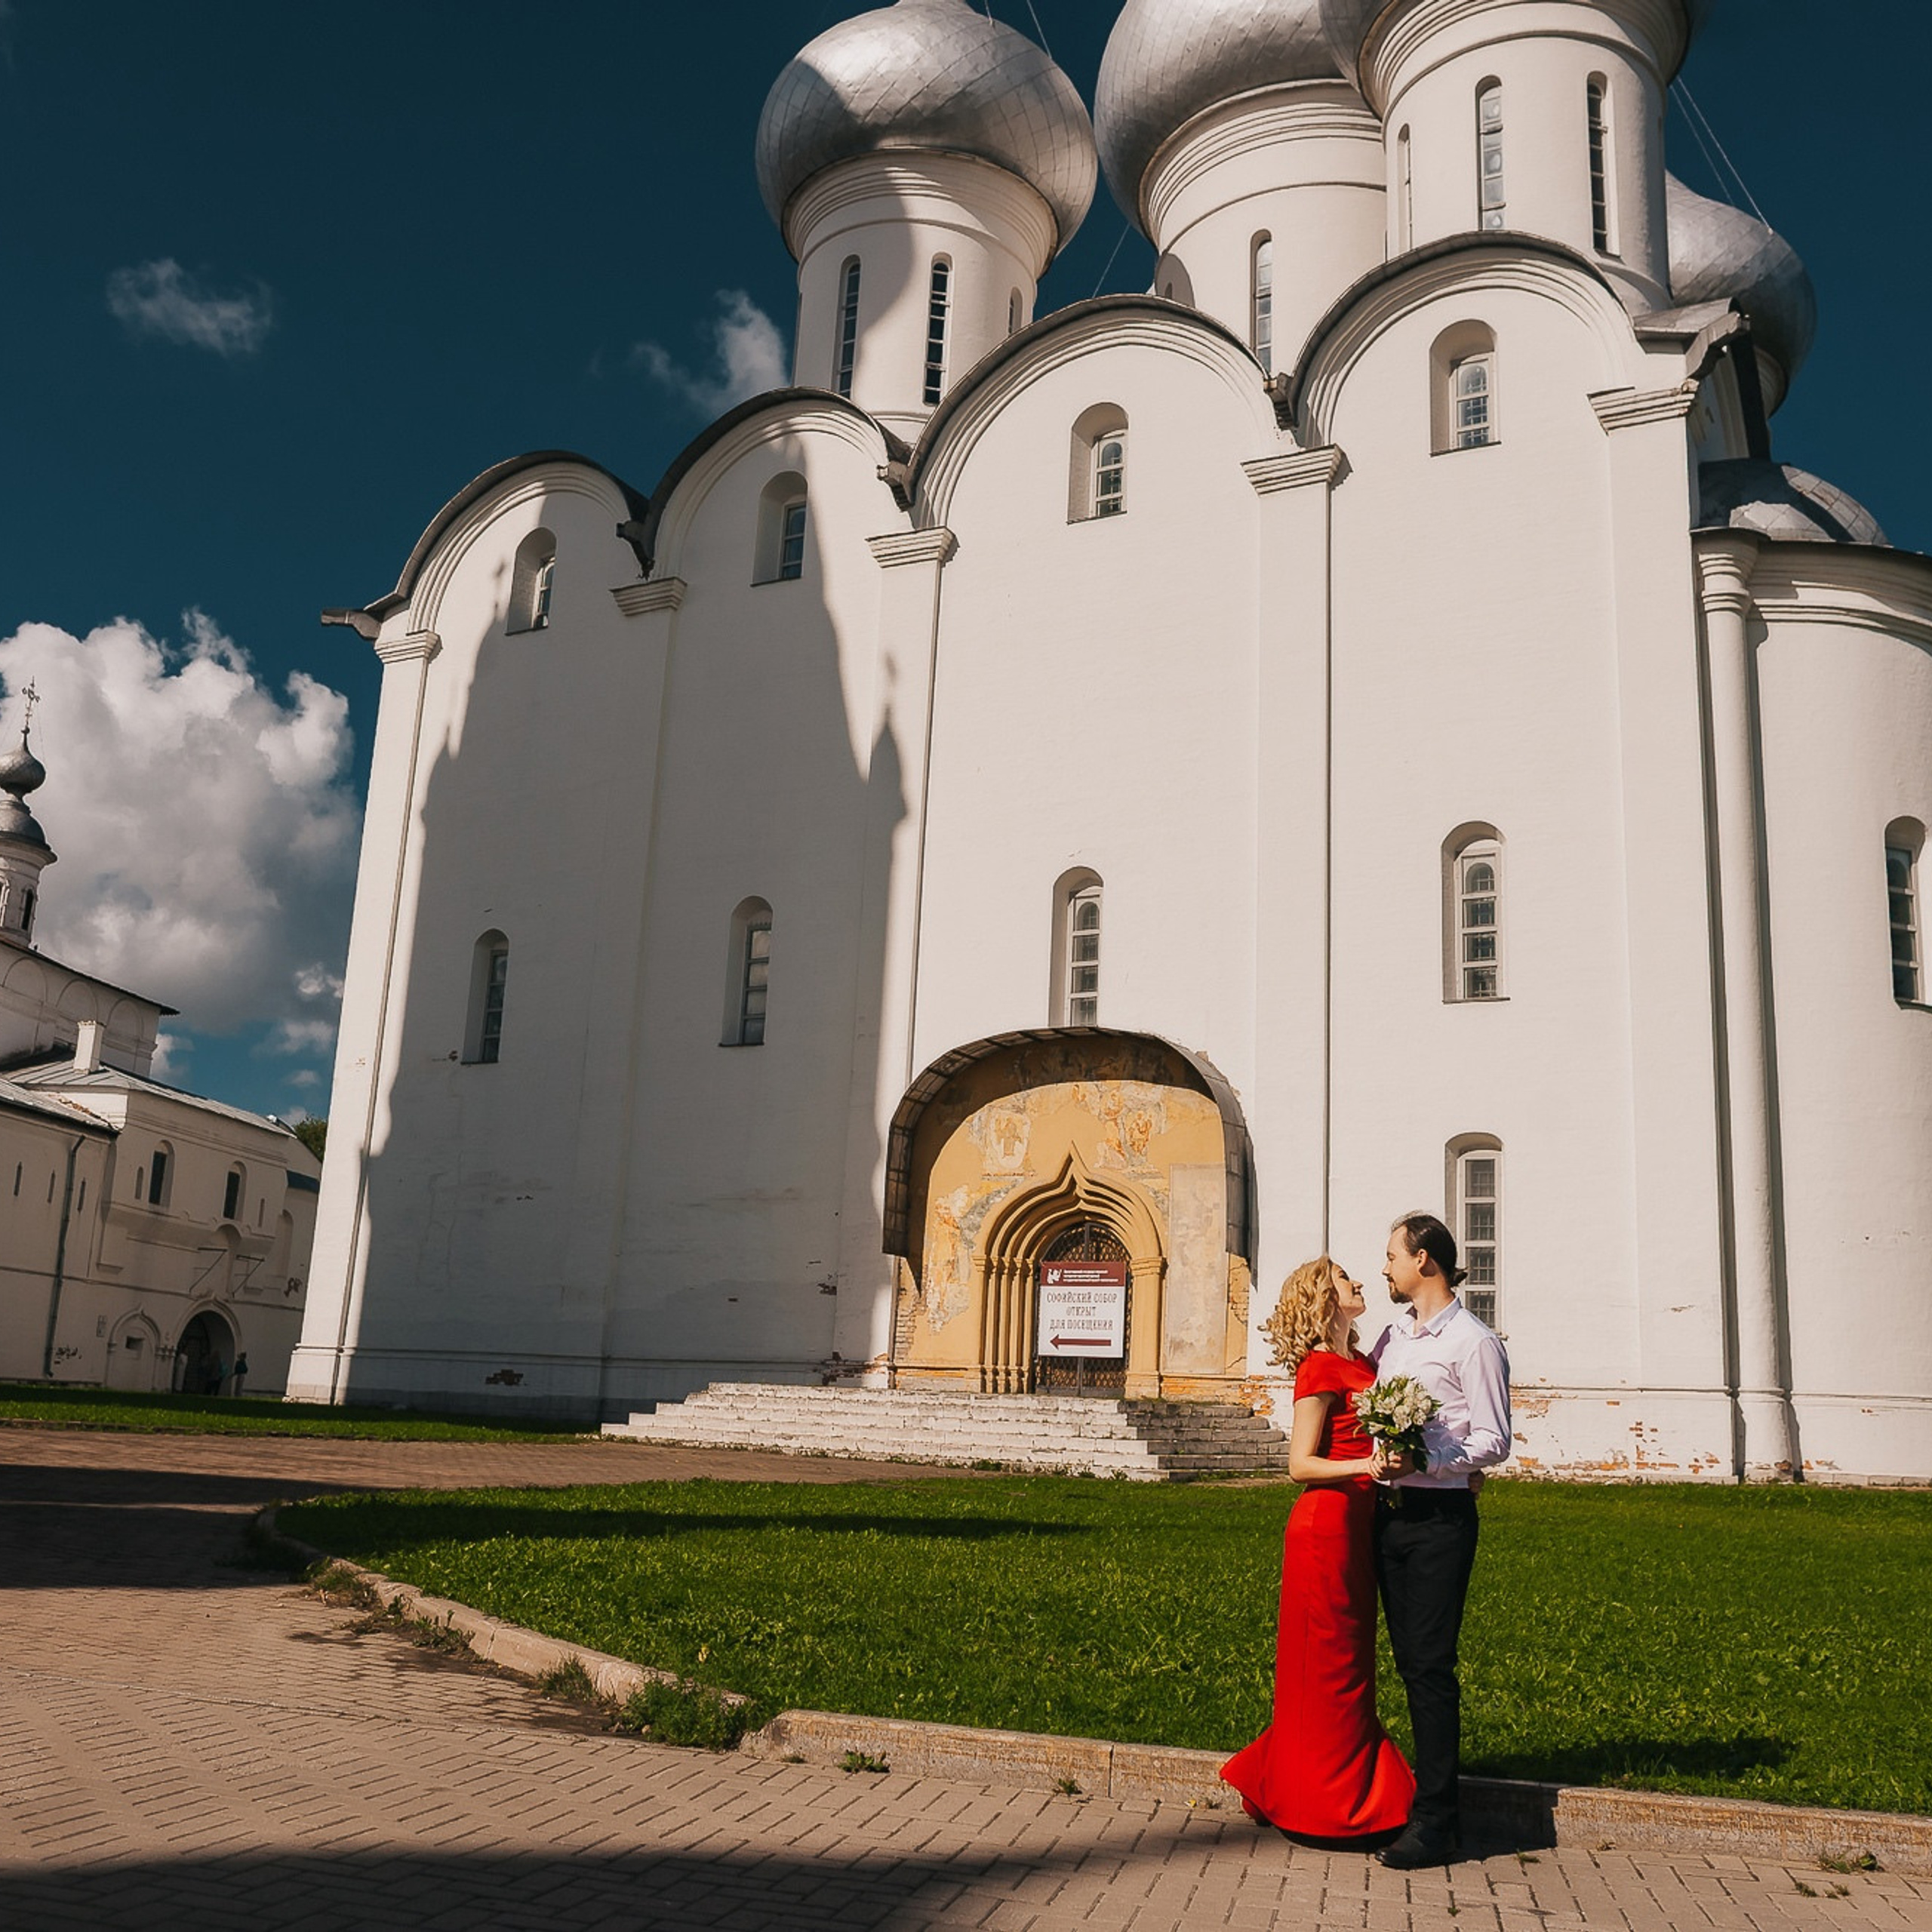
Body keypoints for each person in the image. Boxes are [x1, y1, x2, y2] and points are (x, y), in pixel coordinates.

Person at [1222, 1257, 1416, 1842]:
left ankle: (1338, 1789)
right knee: (1323, 1668)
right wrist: (1370, 1465)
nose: (1358, 1283)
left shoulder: (1360, 1360)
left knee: (1350, 1664)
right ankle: (1320, 1803)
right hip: (1324, 1527)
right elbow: (1299, 1465)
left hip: (1358, 1525)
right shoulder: (1319, 1367)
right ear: (1322, 1297)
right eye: (1344, 1278)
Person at [1370, 1211, 1512, 1869]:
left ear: (1424, 1259)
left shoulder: (1473, 1342)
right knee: (1403, 1664)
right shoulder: (1393, 1338)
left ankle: (1437, 1823)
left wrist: (1424, 1461)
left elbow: (1494, 1440)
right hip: (1388, 1516)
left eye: (1393, 1255)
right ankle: (1408, 1798)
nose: (1386, 1267)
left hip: (1438, 1525)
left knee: (1429, 1669)